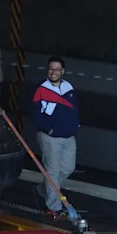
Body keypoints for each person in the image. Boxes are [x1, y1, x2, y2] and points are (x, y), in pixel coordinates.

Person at [30, 56, 79, 217]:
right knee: (52, 172)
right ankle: (54, 208)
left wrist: (75, 126)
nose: (54, 72)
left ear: (62, 71)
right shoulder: (41, 89)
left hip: (69, 136)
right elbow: (35, 114)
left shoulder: (68, 87)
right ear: (47, 70)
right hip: (50, 138)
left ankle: (41, 190)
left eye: (57, 69)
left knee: (67, 169)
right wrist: (47, 129)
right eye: (51, 69)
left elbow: (74, 109)